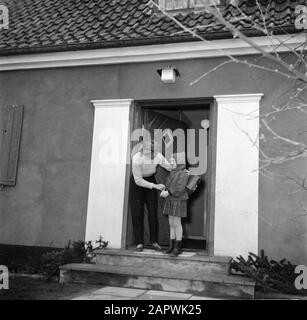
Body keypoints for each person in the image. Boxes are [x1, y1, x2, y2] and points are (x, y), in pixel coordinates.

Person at [129, 139, 176, 252]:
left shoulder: (158, 156)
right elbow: (138, 181)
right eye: (148, 152)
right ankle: (139, 243)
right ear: (143, 151)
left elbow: (169, 167)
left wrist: (174, 164)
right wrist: (155, 186)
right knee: (137, 212)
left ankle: (154, 242)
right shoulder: (137, 159)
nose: (151, 155)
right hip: (138, 183)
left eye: (152, 152)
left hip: (150, 178)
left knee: (152, 212)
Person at [160, 152, 198, 257]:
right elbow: (169, 185)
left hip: (178, 200)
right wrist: (165, 190)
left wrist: (169, 192)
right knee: (171, 223)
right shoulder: (173, 172)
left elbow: (180, 188)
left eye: (173, 161)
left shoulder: (183, 173)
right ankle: (171, 246)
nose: (171, 163)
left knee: (177, 223)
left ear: (179, 162)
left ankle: (177, 247)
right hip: (171, 199)